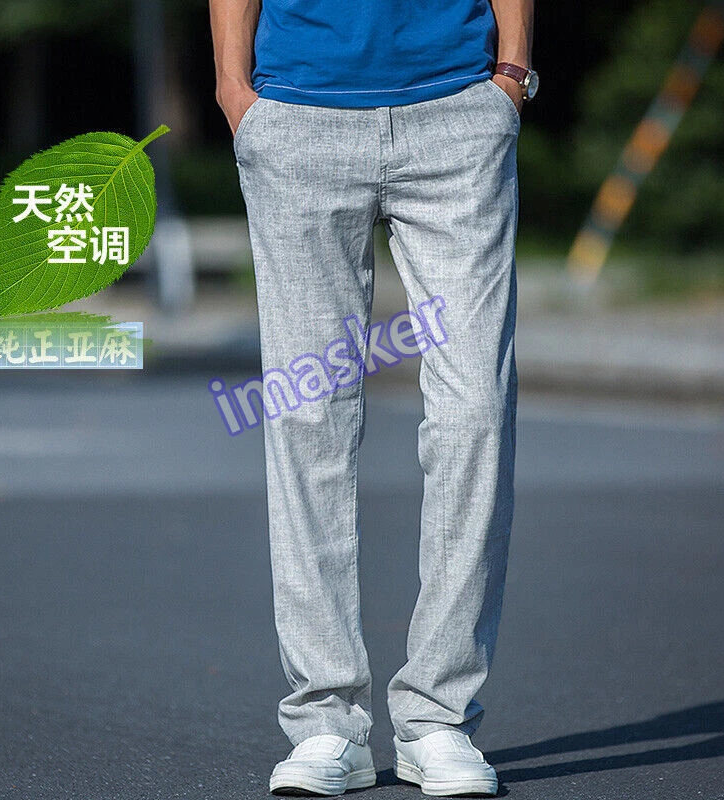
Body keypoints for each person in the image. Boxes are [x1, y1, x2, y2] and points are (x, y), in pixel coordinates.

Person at [209, 0, 537, 795]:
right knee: (308, 418)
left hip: (457, 112)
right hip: (297, 116)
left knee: (476, 411)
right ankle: (326, 721)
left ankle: (438, 717)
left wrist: (511, 74)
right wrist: (233, 88)